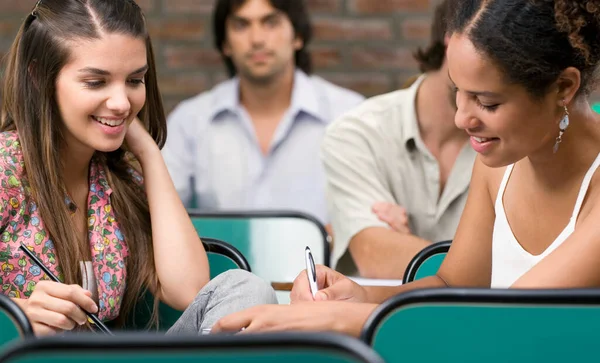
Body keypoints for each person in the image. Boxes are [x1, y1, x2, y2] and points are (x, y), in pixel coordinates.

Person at [212, 0, 600, 336]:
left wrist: (339, 319)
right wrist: (362, 296)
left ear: (563, 87)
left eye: (487, 102)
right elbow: (453, 285)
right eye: (457, 92)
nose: (463, 118)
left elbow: (504, 321)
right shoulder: (498, 165)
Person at [0, 0, 276, 337]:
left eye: (134, 80)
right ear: (38, 75)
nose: (121, 102)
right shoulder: (6, 168)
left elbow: (187, 289)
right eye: (96, 82)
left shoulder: (121, 175)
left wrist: (148, 152)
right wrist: (17, 314)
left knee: (244, 288)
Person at [162, 0, 364, 225]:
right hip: (220, 261)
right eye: (241, 25)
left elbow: (373, 217)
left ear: (297, 36)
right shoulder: (189, 122)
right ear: (225, 43)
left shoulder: (351, 115)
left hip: (321, 260)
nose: (257, 39)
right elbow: (161, 219)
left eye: (271, 22)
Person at [323, 1, 476, 278]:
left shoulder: (514, 139)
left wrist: (408, 248)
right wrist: (486, 264)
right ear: (451, 40)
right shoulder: (357, 132)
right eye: (488, 46)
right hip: (381, 317)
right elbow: (374, 254)